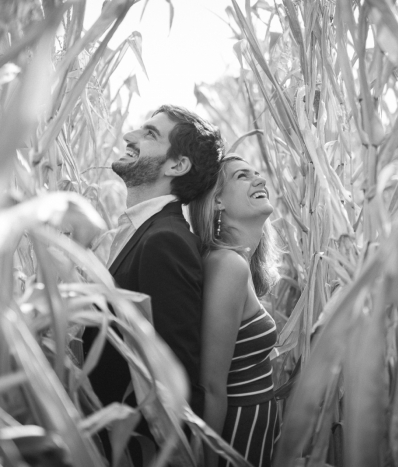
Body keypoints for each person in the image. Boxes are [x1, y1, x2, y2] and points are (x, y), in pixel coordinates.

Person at [81, 105, 223, 463]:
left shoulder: (166, 240)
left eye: (149, 134)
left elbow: (175, 377)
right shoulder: (140, 233)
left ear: (177, 166)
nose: (129, 136)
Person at [188, 155, 281, 467]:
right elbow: (212, 386)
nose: (260, 179)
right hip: (237, 436)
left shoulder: (238, 263)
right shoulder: (227, 265)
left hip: (255, 431)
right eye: (243, 176)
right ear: (217, 202)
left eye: (257, 173)